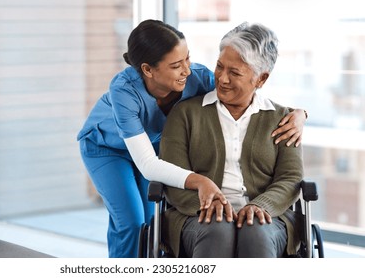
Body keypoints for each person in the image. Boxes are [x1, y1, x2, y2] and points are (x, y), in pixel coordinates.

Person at [77, 19, 307, 258]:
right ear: (148, 70)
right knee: (132, 222)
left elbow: (253, 99)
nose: (187, 70)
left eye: (187, 59)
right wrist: (201, 182)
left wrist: (299, 114)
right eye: (177, 65)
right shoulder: (124, 91)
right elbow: (148, 165)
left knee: (149, 223)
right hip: (108, 149)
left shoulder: (197, 78)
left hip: (152, 147)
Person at [160, 22, 304, 258]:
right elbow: (173, 174)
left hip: (267, 218)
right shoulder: (186, 114)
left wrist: (261, 205)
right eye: (219, 67)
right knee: (217, 227)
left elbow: (290, 178)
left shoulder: (284, 120)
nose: (222, 79)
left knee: (255, 230)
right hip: (196, 216)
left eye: (235, 72)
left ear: (261, 79)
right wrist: (207, 206)